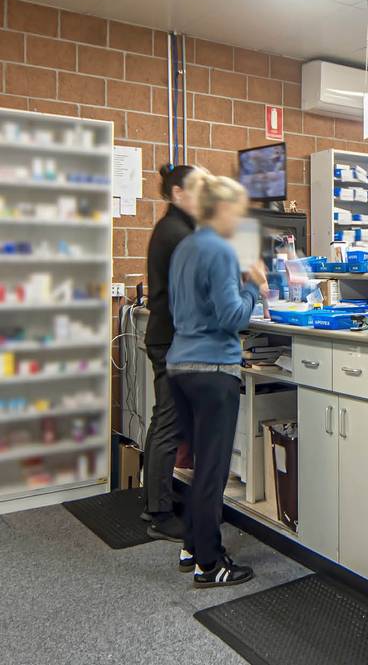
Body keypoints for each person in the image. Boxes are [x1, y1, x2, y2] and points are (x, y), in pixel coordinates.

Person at [167, 172, 267, 587]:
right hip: (212, 370)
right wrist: (254, 287)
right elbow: (232, 317)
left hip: (181, 367)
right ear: (222, 209)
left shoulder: (186, 247)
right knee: (212, 471)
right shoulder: (222, 250)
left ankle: (192, 546)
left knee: (198, 467)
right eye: (238, 212)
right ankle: (210, 565)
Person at [142, 164, 197, 541]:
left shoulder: (173, 227)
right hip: (172, 340)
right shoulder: (177, 233)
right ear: (178, 193)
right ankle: (159, 513)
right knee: (168, 422)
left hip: (166, 335)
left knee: (164, 419)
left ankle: (155, 500)